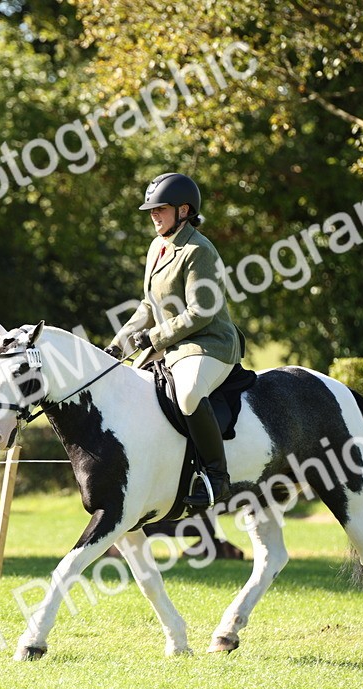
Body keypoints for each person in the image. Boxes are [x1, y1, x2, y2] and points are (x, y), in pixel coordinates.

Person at [105, 173, 242, 508]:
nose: (154, 215)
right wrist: (117, 345)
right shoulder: (157, 247)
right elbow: (148, 305)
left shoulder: (199, 250)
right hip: (170, 345)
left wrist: (152, 337)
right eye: (151, 210)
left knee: (189, 392)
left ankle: (217, 476)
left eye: (160, 209)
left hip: (208, 344)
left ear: (184, 210)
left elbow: (201, 312)